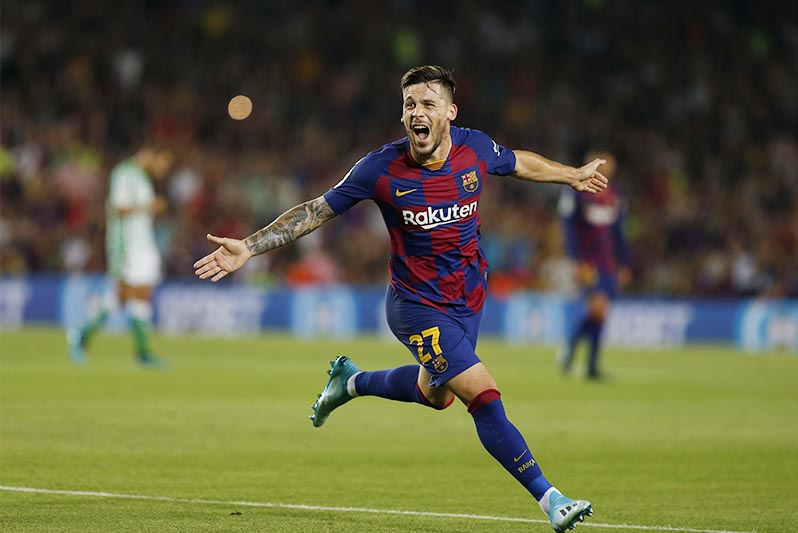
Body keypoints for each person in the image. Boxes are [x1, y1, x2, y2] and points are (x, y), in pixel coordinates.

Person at [193, 66, 605, 532]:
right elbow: (315, 211)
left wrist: (571, 176)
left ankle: (350, 382)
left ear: (450, 112)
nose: (416, 113)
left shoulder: (474, 148)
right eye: (410, 104)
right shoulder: (380, 168)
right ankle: (550, 498)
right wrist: (250, 245)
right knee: (483, 396)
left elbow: (519, 162)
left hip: (468, 296)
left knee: (436, 396)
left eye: (428, 104)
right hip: (415, 306)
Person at [67, 144, 174, 367]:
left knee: (141, 294)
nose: (164, 170)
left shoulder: (142, 178)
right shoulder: (124, 173)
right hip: (127, 244)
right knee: (124, 293)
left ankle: (142, 352)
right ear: (152, 155)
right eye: (164, 163)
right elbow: (119, 208)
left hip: (144, 244)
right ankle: (82, 335)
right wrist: (149, 207)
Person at [557, 151, 631, 379]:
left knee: (601, 314)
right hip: (588, 262)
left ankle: (589, 364)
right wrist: (576, 260)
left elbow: (619, 232)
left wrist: (624, 263)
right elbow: (568, 228)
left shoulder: (615, 195)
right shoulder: (577, 192)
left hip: (608, 262)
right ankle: (571, 350)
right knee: (597, 308)